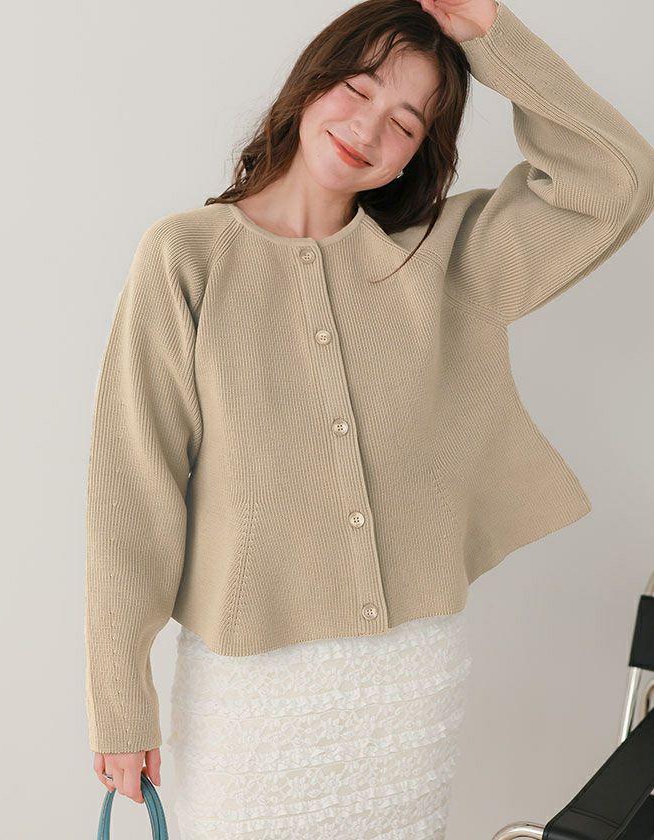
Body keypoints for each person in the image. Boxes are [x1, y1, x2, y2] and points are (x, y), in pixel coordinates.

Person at [84, 0, 654, 837]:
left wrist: (494, 39)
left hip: (408, 680)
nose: (369, 128)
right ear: (311, 84)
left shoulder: (445, 258)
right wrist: (119, 701)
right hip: (250, 686)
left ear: (417, 155)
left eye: (406, 123)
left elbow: (617, 181)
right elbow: (134, 490)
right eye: (357, 89)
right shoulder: (185, 257)